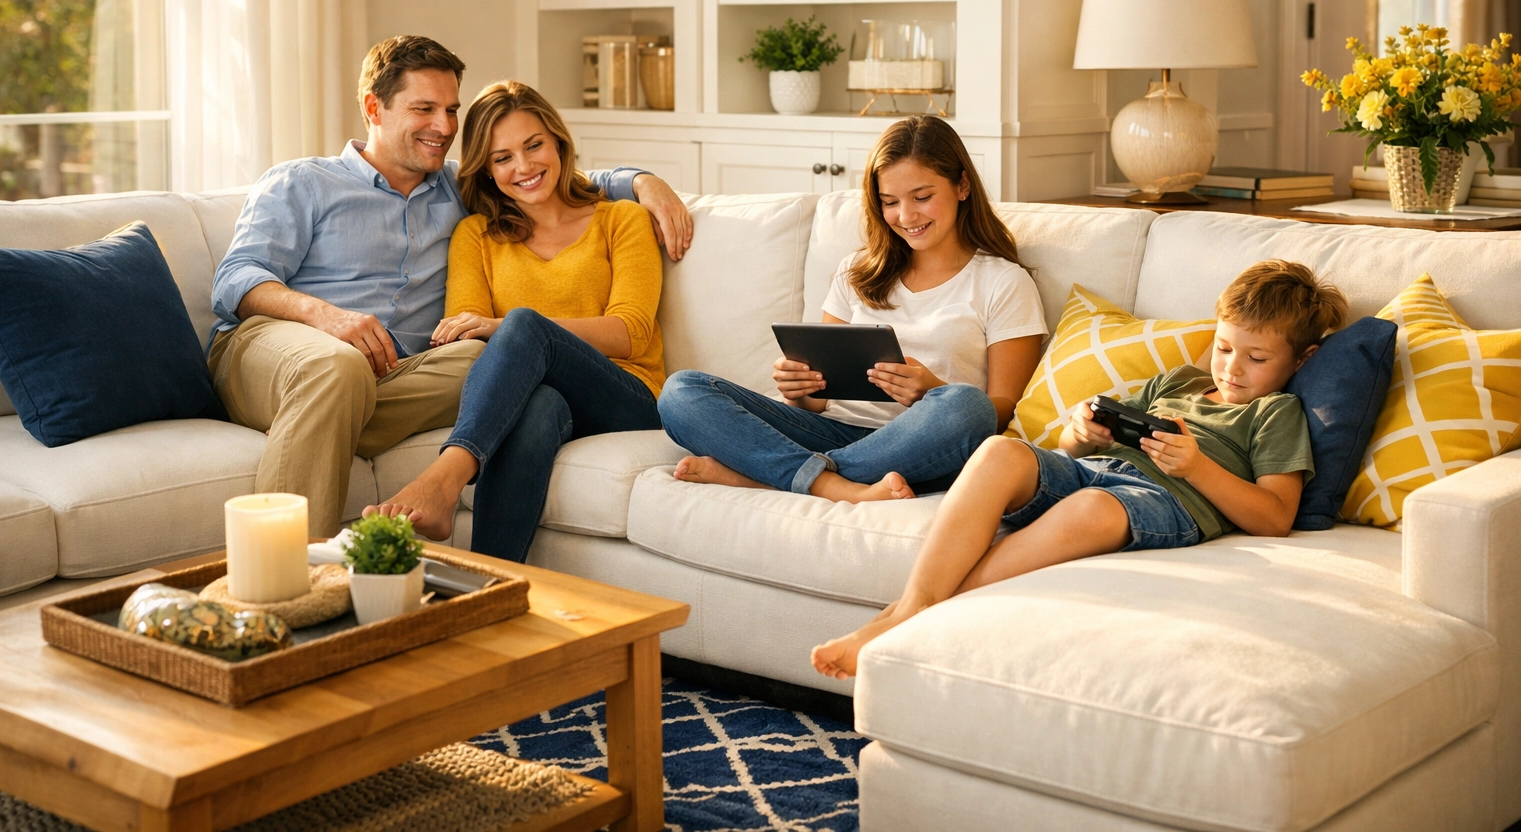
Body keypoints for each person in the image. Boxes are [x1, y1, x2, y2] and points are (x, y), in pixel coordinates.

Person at [208, 36, 691, 536]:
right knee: (337, 367)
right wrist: (327, 317)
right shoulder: (302, 182)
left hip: (396, 375)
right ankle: (288, 570)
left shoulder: (460, 188)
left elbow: (547, 178)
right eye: (424, 109)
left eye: (451, 110)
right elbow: (235, 279)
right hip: (280, 347)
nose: (443, 127)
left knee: (493, 361)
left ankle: (319, 417)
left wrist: (642, 181)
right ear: (374, 108)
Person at [811, 260, 1348, 679]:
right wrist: (1083, 433)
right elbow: (1071, 453)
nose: (1232, 368)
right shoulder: (1178, 382)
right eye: (1225, 348)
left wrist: (1196, 467)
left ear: (1302, 359)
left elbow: (1276, 517)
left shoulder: (1276, 412)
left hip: (1166, 501)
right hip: (1098, 472)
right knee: (1000, 452)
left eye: (1256, 358)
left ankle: (904, 618)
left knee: (1092, 507)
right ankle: (913, 606)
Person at [657, 114, 1046, 504]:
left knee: (966, 406)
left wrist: (932, 391)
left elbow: (1001, 411)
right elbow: (820, 401)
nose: (906, 216)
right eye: (890, 202)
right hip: (830, 431)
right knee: (681, 391)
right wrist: (800, 390)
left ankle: (773, 475)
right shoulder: (856, 272)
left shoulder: (1003, 282)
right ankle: (832, 485)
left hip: (922, 445)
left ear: (962, 185)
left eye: (922, 197)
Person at [363, 81, 665, 560]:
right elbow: (461, 336)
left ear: (558, 142)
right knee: (539, 405)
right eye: (502, 158)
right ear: (486, 169)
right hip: (535, 396)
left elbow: (631, 333)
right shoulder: (475, 236)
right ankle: (488, 583)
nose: (523, 167)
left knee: (522, 323)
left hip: (626, 395)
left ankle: (444, 478)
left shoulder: (620, 220)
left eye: (533, 145)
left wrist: (504, 325)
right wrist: (497, 329)